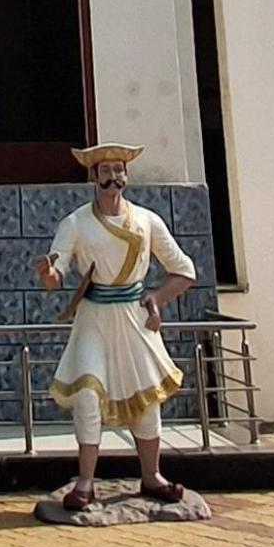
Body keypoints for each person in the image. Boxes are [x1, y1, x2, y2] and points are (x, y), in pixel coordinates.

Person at [34, 143, 197, 513]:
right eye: (105, 170)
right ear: (93, 177)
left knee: (145, 397)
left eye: (118, 169)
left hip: (133, 317)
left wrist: (157, 297)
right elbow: (55, 275)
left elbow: (184, 271)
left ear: (126, 175)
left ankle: (152, 476)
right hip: (94, 317)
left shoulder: (147, 221)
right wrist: (49, 273)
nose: (112, 177)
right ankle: (86, 482)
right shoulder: (75, 223)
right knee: (89, 395)